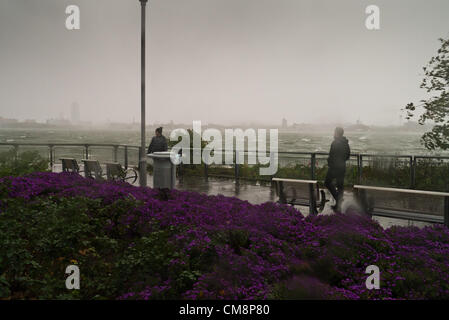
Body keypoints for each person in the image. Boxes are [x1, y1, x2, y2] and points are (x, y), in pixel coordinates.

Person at [325, 127, 350, 211]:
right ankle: (338, 206)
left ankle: (338, 199)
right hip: (342, 167)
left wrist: (330, 162)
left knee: (327, 182)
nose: (333, 133)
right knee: (340, 186)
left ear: (337, 133)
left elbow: (331, 155)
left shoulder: (335, 142)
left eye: (334, 132)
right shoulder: (345, 143)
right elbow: (347, 156)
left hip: (334, 168)